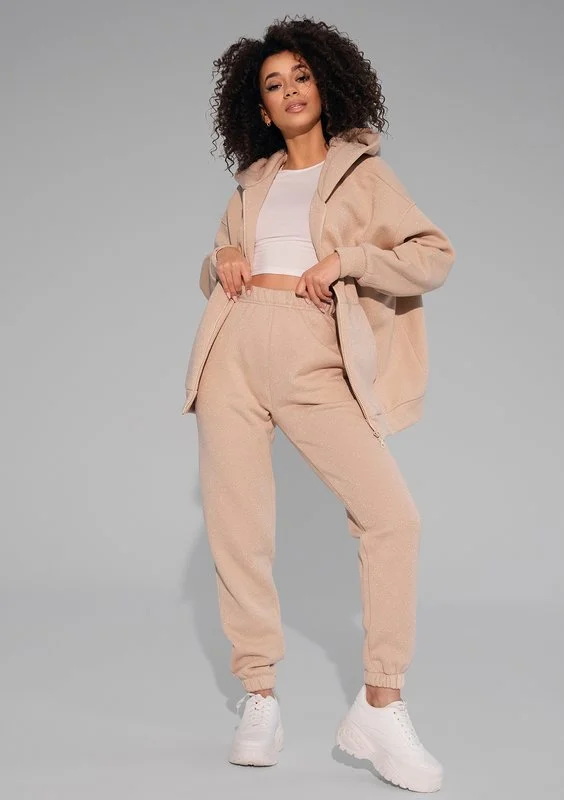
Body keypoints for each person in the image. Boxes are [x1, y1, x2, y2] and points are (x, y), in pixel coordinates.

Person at [181, 15, 455, 793]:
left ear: (326, 86)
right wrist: (220, 256)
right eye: (274, 84)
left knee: (392, 518)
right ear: (261, 109)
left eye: (301, 76)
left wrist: (348, 261)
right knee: (238, 529)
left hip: (313, 354)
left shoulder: (362, 174)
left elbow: (432, 255)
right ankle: (259, 696)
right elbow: (218, 269)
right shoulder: (253, 182)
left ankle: (380, 704)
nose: (290, 90)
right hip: (233, 349)